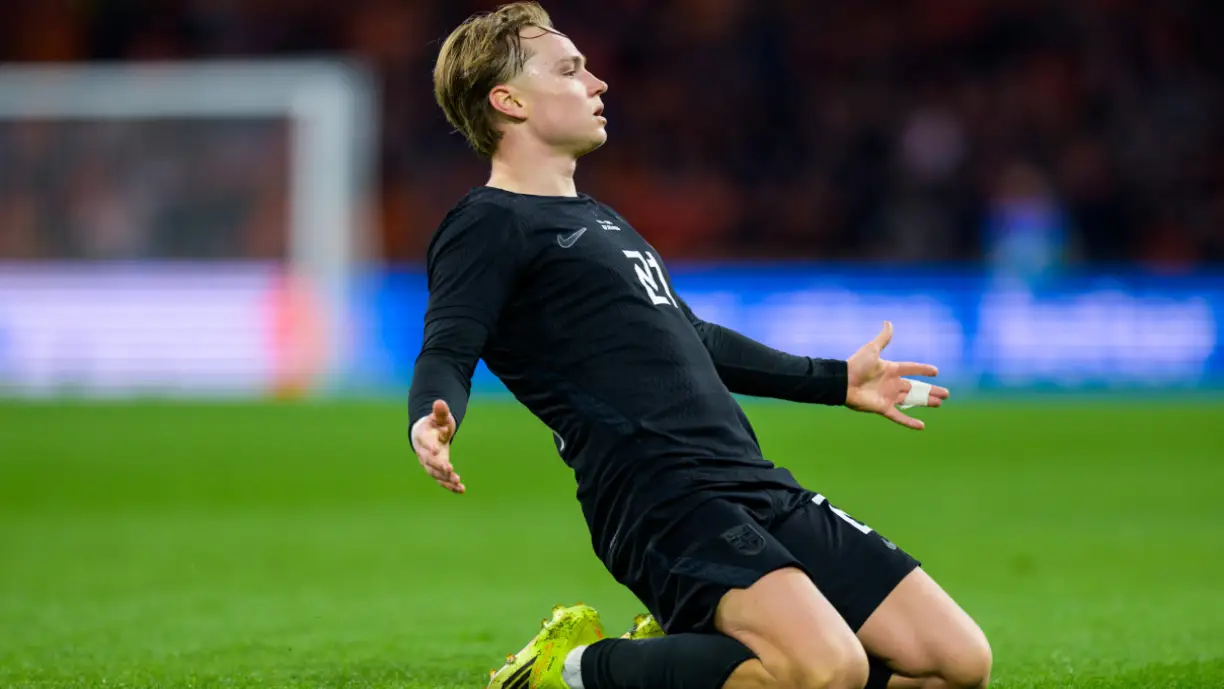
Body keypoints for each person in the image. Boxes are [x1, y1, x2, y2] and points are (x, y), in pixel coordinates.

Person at [408, 3, 991, 688]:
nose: (597, 83)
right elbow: (448, 346)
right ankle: (568, 670)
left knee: (954, 664)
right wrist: (431, 414)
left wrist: (835, 381)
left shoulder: (600, 220)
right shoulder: (487, 224)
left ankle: (694, 642)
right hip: (658, 494)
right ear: (507, 101)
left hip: (750, 477)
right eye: (570, 70)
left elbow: (694, 337)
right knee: (824, 669)